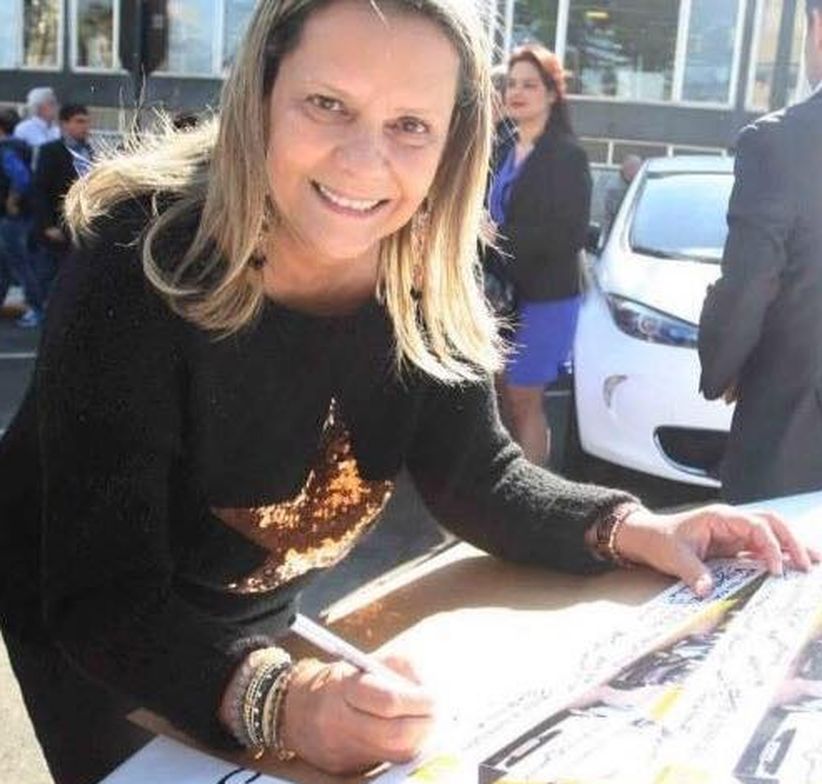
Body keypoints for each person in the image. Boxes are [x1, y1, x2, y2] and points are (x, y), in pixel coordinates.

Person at [0, 2, 815, 783]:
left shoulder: (424, 264)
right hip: (96, 625)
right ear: (260, 93)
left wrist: (635, 527)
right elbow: (103, 597)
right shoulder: (139, 261)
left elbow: (479, 477)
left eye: (410, 125)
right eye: (327, 104)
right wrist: (287, 702)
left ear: (453, 140)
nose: (364, 162)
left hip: (257, 614)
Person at [698, 0, 822, 504]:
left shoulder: (781, 143)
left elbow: (749, 283)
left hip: (793, 431)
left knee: (770, 553)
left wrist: (723, 363)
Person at [488, 44, 590, 466]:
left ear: (551, 93)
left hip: (546, 298)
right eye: (512, 84)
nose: (517, 92)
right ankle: (504, 484)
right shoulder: (503, 147)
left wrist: (499, 234)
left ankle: (533, 488)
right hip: (499, 294)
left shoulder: (567, 155)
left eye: (529, 85)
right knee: (498, 398)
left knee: (523, 398)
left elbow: (569, 235)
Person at [31, 104, 94, 306]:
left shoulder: (90, 152)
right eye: (79, 121)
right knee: (48, 277)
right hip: (56, 227)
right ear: (64, 124)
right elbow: (39, 190)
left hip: (80, 229)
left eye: (87, 122)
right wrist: (47, 225)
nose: (85, 127)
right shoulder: (51, 151)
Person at [0, 109, 45, 327]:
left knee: (19, 264)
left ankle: (36, 308)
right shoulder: (20, 147)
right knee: (5, 265)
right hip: (19, 217)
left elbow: (21, 178)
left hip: (11, 218)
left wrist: (12, 200)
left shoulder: (6, 149)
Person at [13, 87, 61, 155]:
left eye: (55, 103)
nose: (57, 107)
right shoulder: (24, 128)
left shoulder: (56, 129)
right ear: (38, 107)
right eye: (51, 103)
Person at [603, 153, 642, 235]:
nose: (639, 171)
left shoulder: (638, 185)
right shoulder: (615, 189)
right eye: (637, 167)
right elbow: (614, 215)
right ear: (628, 168)